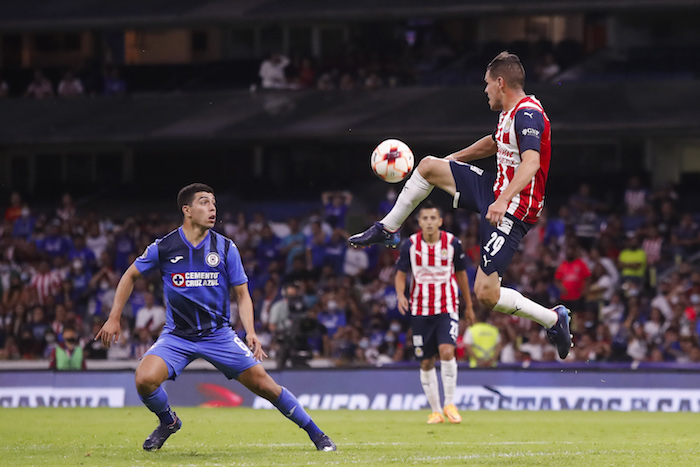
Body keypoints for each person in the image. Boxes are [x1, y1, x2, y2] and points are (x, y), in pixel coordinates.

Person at [349, 51, 572, 359]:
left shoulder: (528, 114)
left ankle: (553, 318)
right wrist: (452, 160)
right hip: (493, 191)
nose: (485, 90)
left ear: (500, 82)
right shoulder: (509, 113)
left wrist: (504, 199)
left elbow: (532, 162)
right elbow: (493, 142)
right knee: (428, 166)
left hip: (513, 209)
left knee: (486, 294)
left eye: (486, 84)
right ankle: (387, 228)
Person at [95, 183, 335, 452]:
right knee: (144, 379)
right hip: (177, 336)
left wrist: (251, 332)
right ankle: (169, 422)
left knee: (265, 385)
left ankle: (317, 434)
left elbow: (243, 295)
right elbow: (129, 275)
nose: (212, 208)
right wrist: (114, 317)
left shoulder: (225, 247)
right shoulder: (164, 247)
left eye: (214, 203)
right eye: (204, 202)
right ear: (187, 210)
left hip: (218, 335)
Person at [394, 202, 474, 424]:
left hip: (447, 307)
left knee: (447, 351)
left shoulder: (452, 243)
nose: (429, 222)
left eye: (433, 218)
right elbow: (401, 273)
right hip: (420, 310)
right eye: (425, 219)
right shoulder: (409, 245)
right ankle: (436, 411)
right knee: (426, 362)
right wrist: (401, 295)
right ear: (419, 222)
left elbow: (461, 275)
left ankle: (450, 403)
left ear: (440, 221)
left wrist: (468, 305)